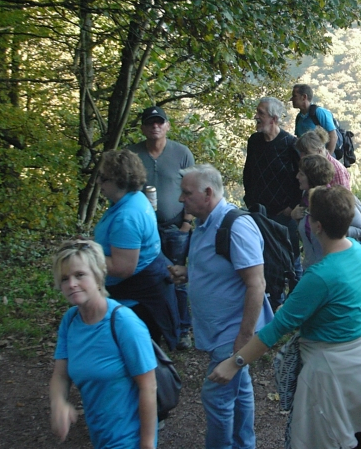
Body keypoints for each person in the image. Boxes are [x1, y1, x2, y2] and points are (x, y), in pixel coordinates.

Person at [208, 185, 361, 449]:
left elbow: (276, 329)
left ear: (317, 226)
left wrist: (234, 363)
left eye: (308, 214)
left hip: (333, 370)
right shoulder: (357, 250)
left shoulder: (320, 276)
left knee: (329, 438)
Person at [169, 164, 273, 448]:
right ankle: (244, 444)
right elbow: (222, 269)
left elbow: (256, 284)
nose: (180, 199)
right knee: (239, 390)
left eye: (187, 193)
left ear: (208, 193)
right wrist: (189, 273)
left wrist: (244, 339)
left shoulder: (236, 227)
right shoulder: (204, 224)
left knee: (215, 396)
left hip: (233, 331)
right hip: (219, 330)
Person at [49, 240, 157, 449]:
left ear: (98, 276)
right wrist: (58, 402)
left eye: (80, 275)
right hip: (100, 434)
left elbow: (148, 386)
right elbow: (60, 375)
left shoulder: (124, 323)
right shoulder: (70, 321)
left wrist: (147, 444)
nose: (72, 284)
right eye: (64, 278)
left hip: (129, 439)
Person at [95, 149, 179, 351]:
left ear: (119, 180)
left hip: (135, 302)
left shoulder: (127, 216)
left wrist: (89, 254)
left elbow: (123, 267)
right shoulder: (134, 199)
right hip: (142, 295)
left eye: (103, 178)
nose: (98, 182)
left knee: (137, 357)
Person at [127, 105, 195, 349]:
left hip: (175, 226)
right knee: (145, 279)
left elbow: (192, 187)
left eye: (159, 122)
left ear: (167, 126)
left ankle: (182, 330)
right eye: (150, 122)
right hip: (143, 231)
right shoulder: (131, 154)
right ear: (143, 128)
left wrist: (186, 223)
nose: (155, 126)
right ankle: (150, 330)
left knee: (177, 278)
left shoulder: (181, 153)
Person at [243, 97, 302, 276]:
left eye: (261, 113)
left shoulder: (291, 144)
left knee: (291, 261)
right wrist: (250, 201)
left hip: (283, 216)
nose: (256, 116)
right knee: (263, 262)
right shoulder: (254, 141)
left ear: (274, 119)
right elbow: (248, 173)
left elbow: (301, 178)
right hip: (258, 214)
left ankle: (297, 292)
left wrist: (291, 207)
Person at [291, 154, 361, 269]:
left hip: (334, 268)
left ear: (312, 177)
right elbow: (309, 234)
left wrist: (333, 231)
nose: (297, 176)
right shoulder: (305, 197)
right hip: (310, 267)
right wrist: (295, 217)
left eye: (301, 174)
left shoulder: (336, 199)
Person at [291, 83, 338, 154]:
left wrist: (326, 158)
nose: (291, 99)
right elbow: (299, 139)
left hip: (321, 158)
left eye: (294, 96)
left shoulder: (320, 112)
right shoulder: (299, 117)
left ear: (304, 97)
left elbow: (333, 137)